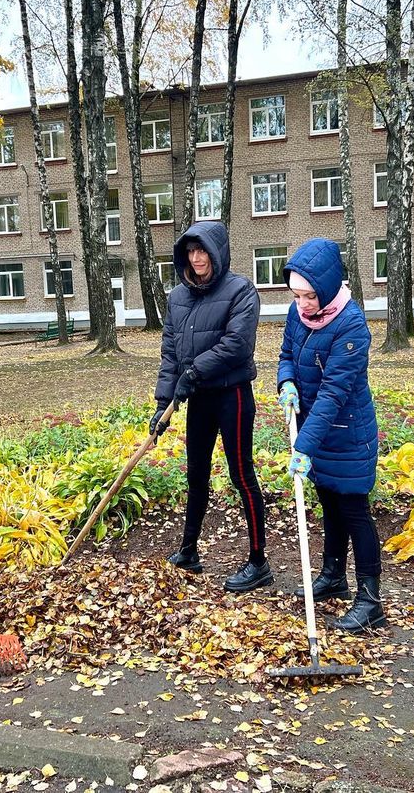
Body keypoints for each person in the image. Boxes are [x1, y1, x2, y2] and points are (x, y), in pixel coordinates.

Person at [150, 221, 269, 593]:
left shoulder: (241, 291)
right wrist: (162, 401)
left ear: (217, 252)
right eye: (190, 250)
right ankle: (189, 551)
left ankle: (258, 561)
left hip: (231, 394)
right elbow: (170, 353)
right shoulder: (177, 298)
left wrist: (194, 372)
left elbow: (237, 345)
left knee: (241, 475)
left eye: (202, 250)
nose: (196, 257)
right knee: (196, 475)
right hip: (196, 396)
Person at [276, 238, 385, 633]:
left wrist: (303, 444)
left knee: (354, 512)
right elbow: (287, 354)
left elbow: (334, 393)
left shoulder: (351, 325)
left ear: (325, 287)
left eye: (308, 296)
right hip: (315, 432)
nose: (302, 304)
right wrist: (286, 382)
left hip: (347, 433)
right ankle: (334, 577)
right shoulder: (298, 314)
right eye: (296, 295)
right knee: (329, 505)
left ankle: (371, 600)